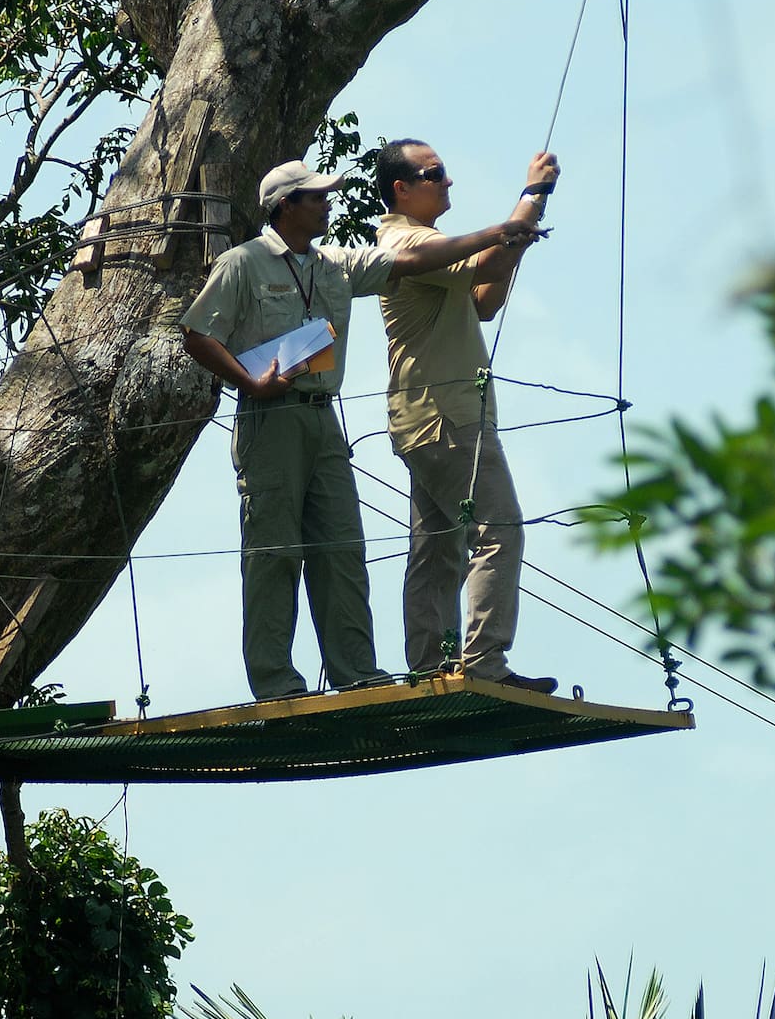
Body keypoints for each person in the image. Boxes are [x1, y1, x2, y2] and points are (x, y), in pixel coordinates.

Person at [182, 159, 544, 701]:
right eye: (317, 197)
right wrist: (248, 382)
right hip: (270, 419)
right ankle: (277, 683)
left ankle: (356, 674)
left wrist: (493, 235)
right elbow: (197, 332)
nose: (328, 204)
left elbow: (415, 257)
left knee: (342, 549)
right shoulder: (244, 263)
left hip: (324, 417)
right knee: (275, 551)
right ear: (286, 206)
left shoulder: (335, 265)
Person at [374, 139, 559, 694]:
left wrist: (514, 242)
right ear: (402, 188)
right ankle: (483, 663)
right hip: (445, 416)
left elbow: (481, 298)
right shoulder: (405, 240)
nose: (448, 181)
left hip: (426, 417)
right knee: (499, 530)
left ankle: (431, 665)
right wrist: (533, 197)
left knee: (438, 546)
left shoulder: (426, 243)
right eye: (435, 173)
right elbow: (486, 259)